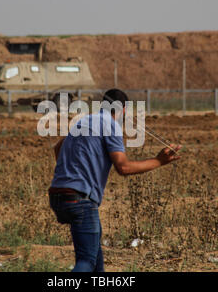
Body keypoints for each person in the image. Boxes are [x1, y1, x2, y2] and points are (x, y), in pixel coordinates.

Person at [48, 89, 181, 272]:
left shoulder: (83, 121)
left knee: (95, 260)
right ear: (123, 110)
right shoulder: (110, 125)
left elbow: (58, 148)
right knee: (86, 261)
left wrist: (71, 173)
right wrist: (159, 161)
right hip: (80, 200)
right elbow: (123, 167)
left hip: (58, 195)